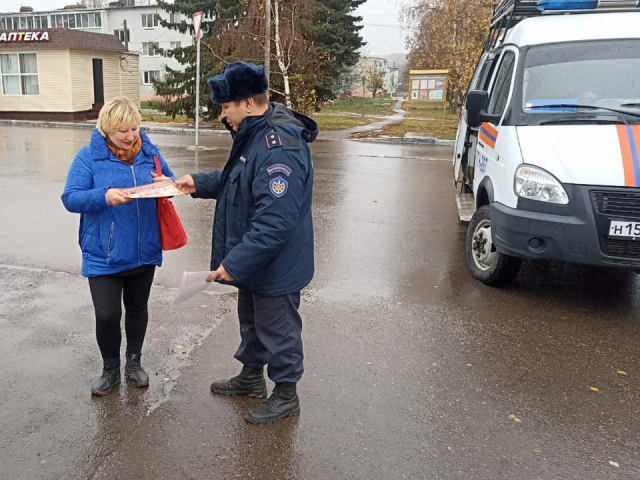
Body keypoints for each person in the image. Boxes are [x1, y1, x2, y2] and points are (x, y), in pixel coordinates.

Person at [175, 62, 318, 424]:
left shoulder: (278, 145)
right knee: (252, 321)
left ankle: (286, 394)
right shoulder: (255, 135)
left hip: (275, 265)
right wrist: (200, 182)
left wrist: (235, 263)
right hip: (258, 262)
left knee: (278, 329)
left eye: (226, 107)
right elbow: (239, 175)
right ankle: (252, 378)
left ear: (249, 104)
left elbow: (276, 221)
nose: (223, 116)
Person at [61, 97, 176, 396]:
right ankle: (109, 367)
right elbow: (70, 198)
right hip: (104, 254)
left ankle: (133, 362)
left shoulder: (149, 153)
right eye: (122, 130)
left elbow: (171, 184)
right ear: (107, 129)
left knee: (137, 308)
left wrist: (167, 183)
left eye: (134, 128)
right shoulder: (88, 157)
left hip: (144, 249)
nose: (130, 136)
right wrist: (104, 196)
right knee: (108, 315)